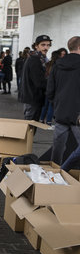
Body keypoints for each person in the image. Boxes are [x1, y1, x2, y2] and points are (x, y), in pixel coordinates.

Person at [47, 36, 80, 164]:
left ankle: (55, 173)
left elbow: (50, 90)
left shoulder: (57, 64)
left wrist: (56, 104)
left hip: (60, 111)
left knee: (58, 147)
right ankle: (69, 170)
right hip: (77, 114)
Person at [20, 35, 52, 121]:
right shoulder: (35, 59)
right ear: (36, 46)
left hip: (33, 98)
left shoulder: (39, 58)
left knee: (30, 128)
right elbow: (39, 82)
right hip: (32, 98)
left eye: (48, 45)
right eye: (43, 45)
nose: (46, 47)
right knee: (29, 128)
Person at [40, 50, 60, 126]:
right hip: (53, 87)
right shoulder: (57, 65)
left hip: (46, 86)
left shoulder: (48, 63)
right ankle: (48, 122)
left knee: (45, 105)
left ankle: (41, 119)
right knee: (51, 106)